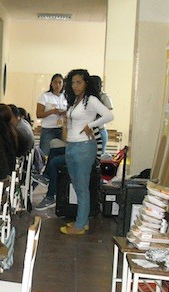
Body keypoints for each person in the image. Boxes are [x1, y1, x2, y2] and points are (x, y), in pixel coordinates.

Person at [60, 69, 113, 234]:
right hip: (72, 146)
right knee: (76, 185)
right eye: (73, 82)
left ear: (86, 83)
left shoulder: (91, 100)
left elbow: (108, 115)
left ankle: (80, 225)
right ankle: (81, 221)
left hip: (84, 147)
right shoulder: (76, 100)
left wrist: (90, 126)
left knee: (82, 186)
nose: (75, 86)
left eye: (79, 82)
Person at [36, 73, 67, 156]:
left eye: (60, 82)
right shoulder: (45, 96)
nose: (57, 85)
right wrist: (52, 111)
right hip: (48, 129)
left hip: (62, 129)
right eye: (55, 82)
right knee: (45, 154)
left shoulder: (65, 97)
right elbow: (38, 114)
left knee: (61, 153)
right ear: (51, 83)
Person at [90, 75, 114, 155]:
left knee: (99, 157)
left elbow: (108, 114)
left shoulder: (104, 97)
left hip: (99, 130)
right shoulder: (86, 97)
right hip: (88, 131)